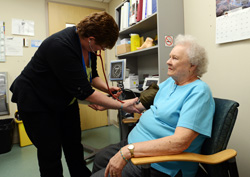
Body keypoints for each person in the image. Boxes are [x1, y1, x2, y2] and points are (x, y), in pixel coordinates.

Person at [10, 11, 139, 177]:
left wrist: (107, 89)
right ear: (91, 39)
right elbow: (86, 93)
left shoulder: (89, 47)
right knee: (50, 152)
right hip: (36, 100)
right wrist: (121, 105)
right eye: (102, 46)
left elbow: (92, 76)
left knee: (74, 146)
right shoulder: (60, 46)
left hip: (62, 99)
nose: (102, 50)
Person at [89, 34, 215, 177]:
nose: (168, 61)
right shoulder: (170, 83)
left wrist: (128, 151)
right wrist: (109, 104)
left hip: (160, 163)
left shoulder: (199, 92)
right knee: (100, 159)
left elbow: (179, 142)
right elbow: (138, 105)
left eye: (175, 58)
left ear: (192, 66)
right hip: (135, 146)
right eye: (170, 56)